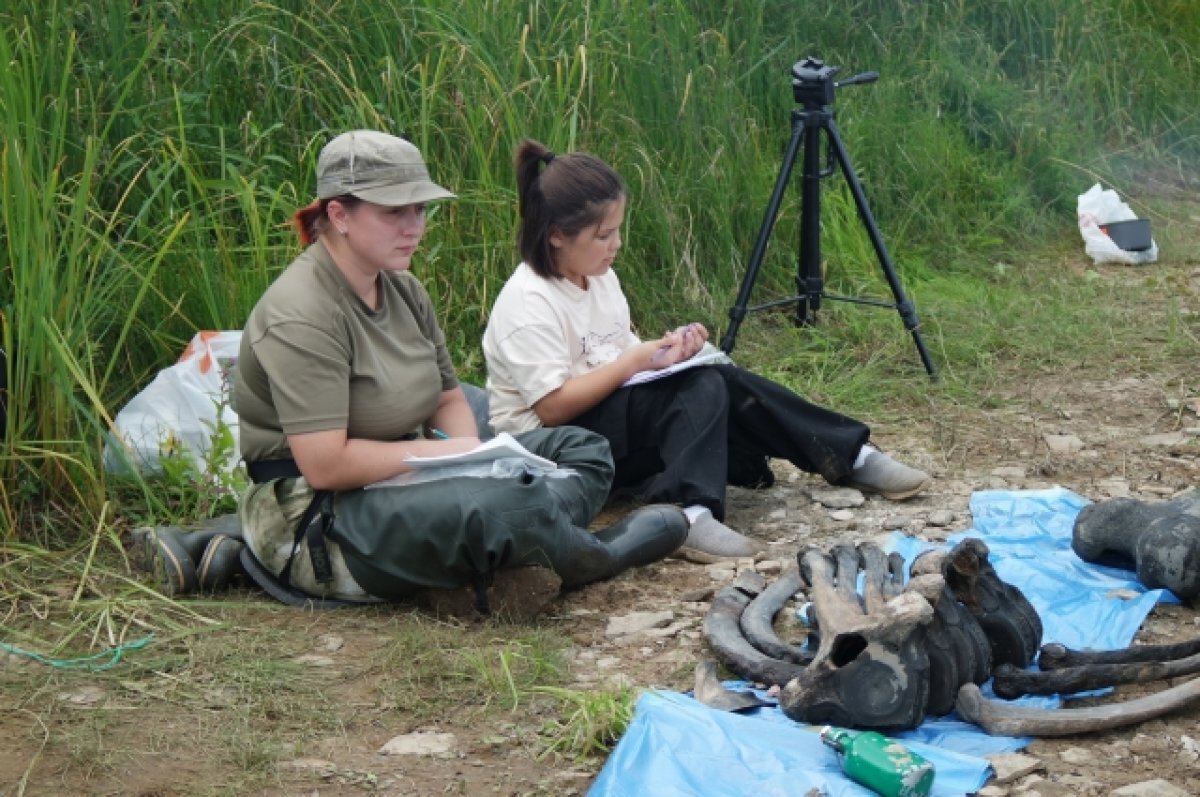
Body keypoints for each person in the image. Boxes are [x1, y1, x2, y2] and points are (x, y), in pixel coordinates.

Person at [230, 130, 688, 614]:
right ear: (339, 215)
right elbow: (326, 465)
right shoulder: (301, 313)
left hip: (403, 474)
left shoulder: (402, 288)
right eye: (394, 212)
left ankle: (505, 543)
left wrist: (472, 464)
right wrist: (455, 464)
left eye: (420, 209)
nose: (414, 227)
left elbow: (447, 397)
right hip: (321, 515)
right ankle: (593, 555)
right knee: (507, 504)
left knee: (583, 449)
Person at [483, 139, 931, 561]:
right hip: (555, 451)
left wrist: (667, 354)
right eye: (603, 236)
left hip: (605, 423)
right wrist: (635, 362)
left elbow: (619, 356)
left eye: (618, 231)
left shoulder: (599, 276)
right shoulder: (529, 300)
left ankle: (850, 454)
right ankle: (686, 514)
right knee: (699, 388)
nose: (615, 246)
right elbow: (553, 407)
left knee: (718, 378)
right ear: (558, 235)